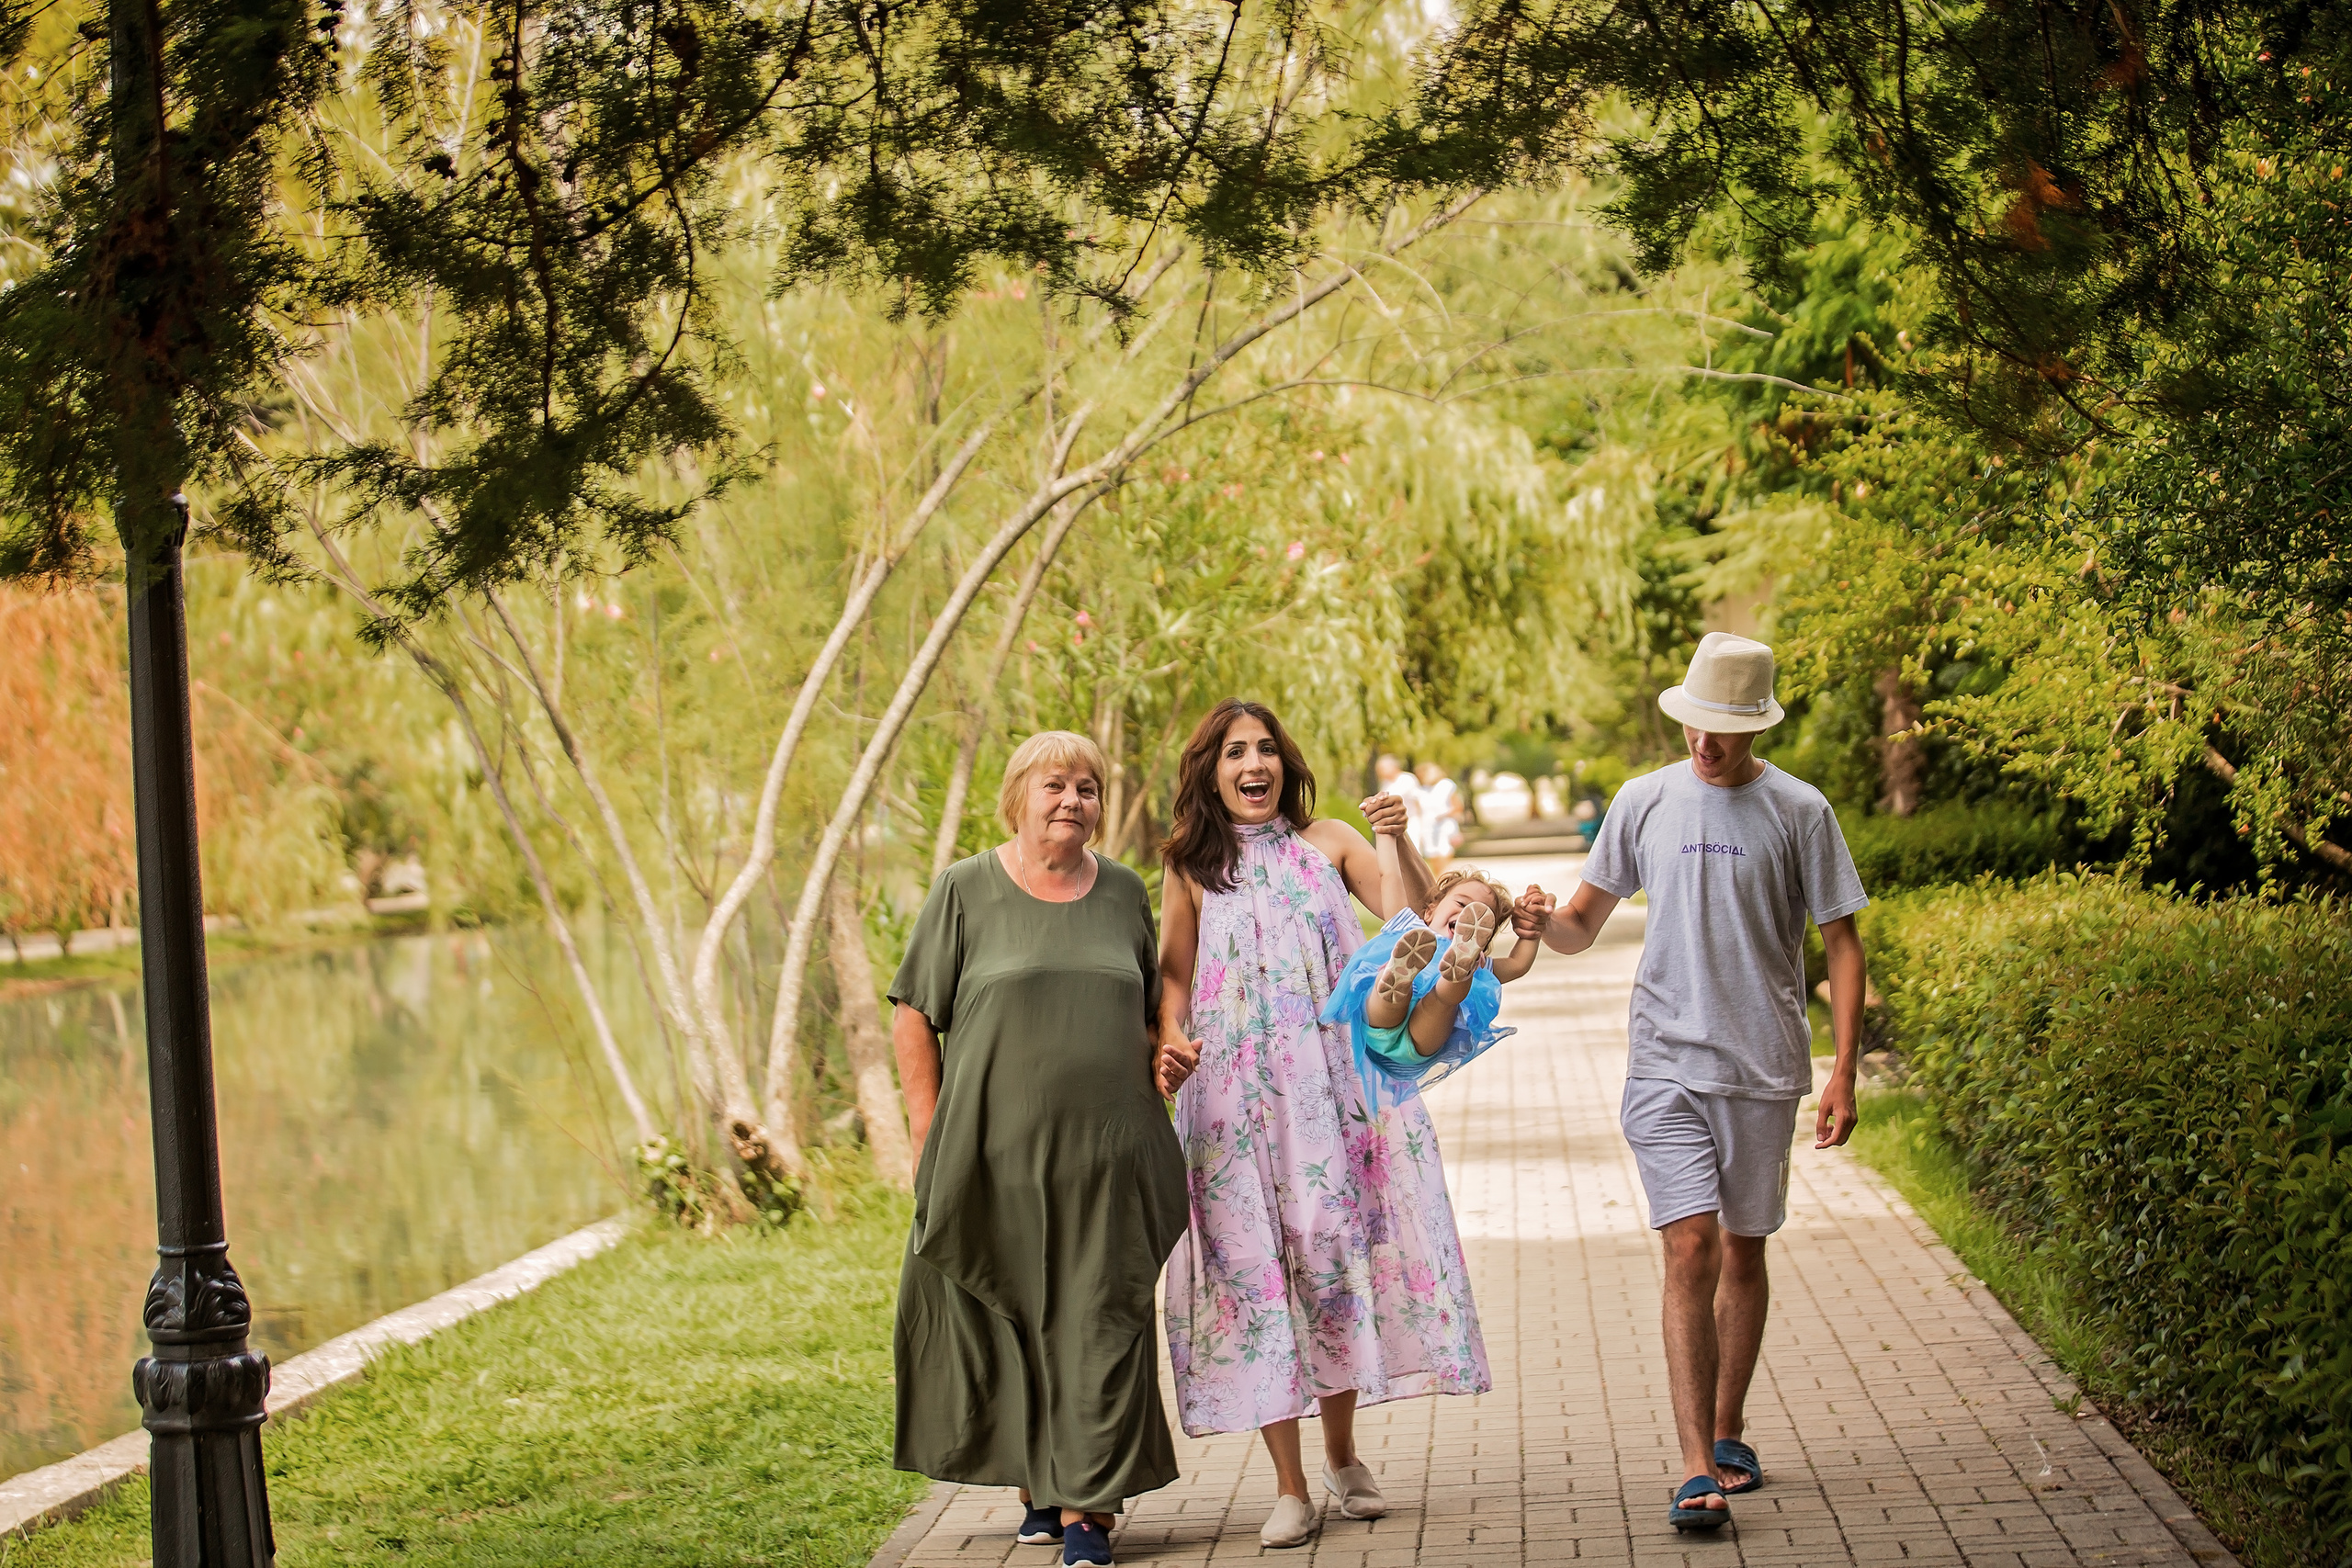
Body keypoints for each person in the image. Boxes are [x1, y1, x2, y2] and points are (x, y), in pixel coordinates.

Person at [1510, 633, 1870, 1535]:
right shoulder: (1643, 801)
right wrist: (1537, 918)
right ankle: (1694, 1467)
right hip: (1664, 1063)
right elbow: (1581, 927)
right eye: (1693, 726)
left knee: (1744, 1247)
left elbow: (1840, 943)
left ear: (1754, 727)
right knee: (1690, 1246)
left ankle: (1728, 1426)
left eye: (1721, 730)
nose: (1703, 744)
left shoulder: (1799, 811)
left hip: (1763, 1068)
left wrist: (1844, 1073)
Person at [1158, 700, 1490, 1550]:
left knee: (1332, 1262)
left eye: (1266, 748)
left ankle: (1343, 1458)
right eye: (1235, 752)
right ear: (1211, 771)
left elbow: (1417, 920)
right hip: (1232, 1104)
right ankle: (1290, 1485)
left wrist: (1398, 836)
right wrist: (1168, 1039)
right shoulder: (1192, 866)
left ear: (1285, 763)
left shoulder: (1330, 841)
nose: (1253, 763)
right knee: (1257, 1275)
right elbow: (1173, 975)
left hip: (1330, 1094)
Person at [889, 730, 1200, 1568]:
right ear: (1018, 794)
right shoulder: (965, 889)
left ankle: (1087, 1514)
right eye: (1056, 785)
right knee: (1015, 1315)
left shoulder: (1124, 892)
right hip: (991, 1152)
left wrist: (1162, 1048)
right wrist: (926, 1129)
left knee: (1101, 1316)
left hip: (1109, 1154)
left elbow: (1145, 1011)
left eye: (1089, 788)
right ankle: (1041, 1482)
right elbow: (916, 1011)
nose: (1073, 801)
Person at [1323, 866, 1539, 1104]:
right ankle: (1398, 978)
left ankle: (1456, 972)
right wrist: (1386, 834)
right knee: (1395, 994)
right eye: (1462, 905)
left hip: (1419, 1041)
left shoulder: (1481, 964)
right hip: (1385, 1025)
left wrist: (1532, 932)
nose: (1469, 915)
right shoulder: (1407, 926)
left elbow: (1517, 965)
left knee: (1444, 998)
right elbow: (1390, 876)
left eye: (1481, 917)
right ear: (1430, 911)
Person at [1410, 760, 1464, 873]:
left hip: (1445, 825)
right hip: (1428, 827)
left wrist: (1443, 815)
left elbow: (1457, 806)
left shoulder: (1446, 785)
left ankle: (1443, 876)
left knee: (1444, 851)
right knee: (1432, 853)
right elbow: (1419, 811)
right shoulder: (1421, 791)